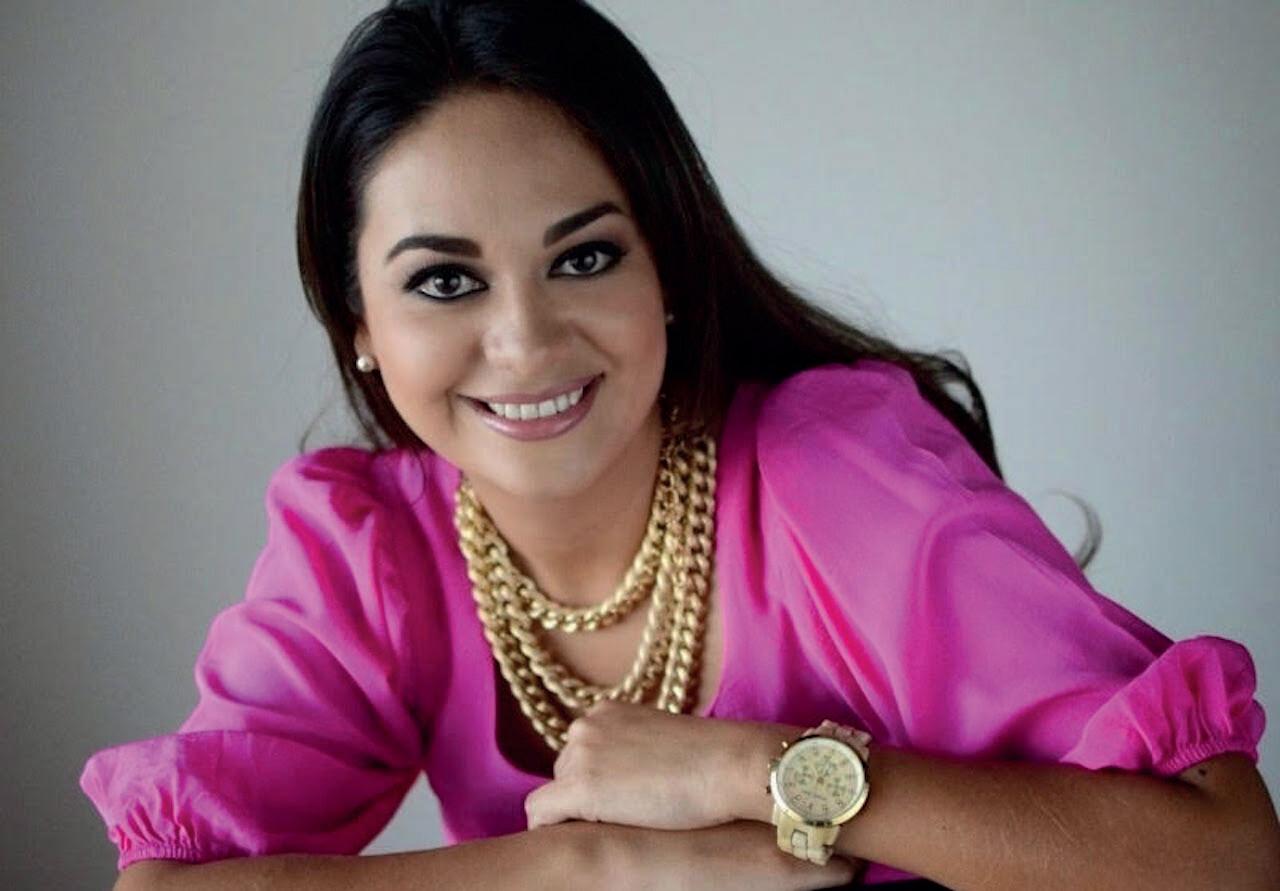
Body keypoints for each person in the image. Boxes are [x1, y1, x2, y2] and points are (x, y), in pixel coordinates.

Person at [80, 1, 1279, 889]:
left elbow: (1223, 853)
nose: (524, 340)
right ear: (358, 327)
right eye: (444, 280)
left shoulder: (833, 477)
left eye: (584, 257)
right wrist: (587, 866)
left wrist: (753, 773)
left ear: (666, 272)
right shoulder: (368, 549)